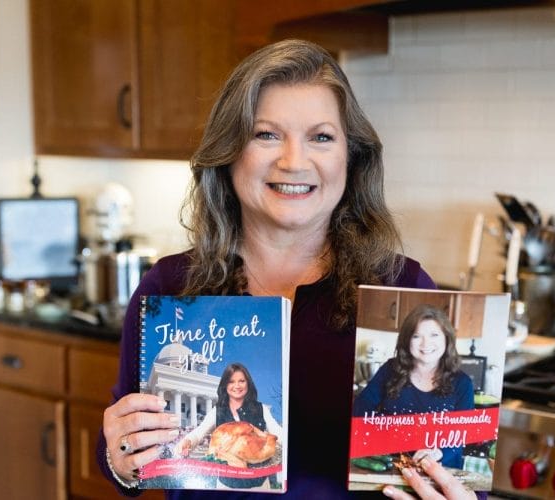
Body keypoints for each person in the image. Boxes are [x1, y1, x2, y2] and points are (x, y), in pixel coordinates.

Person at [99, 39, 478, 500]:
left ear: (350, 157)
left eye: (321, 137)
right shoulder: (169, 288)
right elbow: (125, 454)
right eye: (267, 134)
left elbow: (453, 470)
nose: (294, 161)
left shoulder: (402, 290)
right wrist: (121, 458)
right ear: (229, 151)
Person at [352, 304, 475, 469]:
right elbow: (360, 409)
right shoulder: (390, 369)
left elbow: (462, 434)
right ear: (407, 340)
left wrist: (438, 452)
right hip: (390, 468)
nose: (426, 344)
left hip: (440, 472)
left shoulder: (463, 383)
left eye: (434, 335)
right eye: (417, 336)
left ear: (447, 338)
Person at [174, 363, 284, 488]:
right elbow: (199, 432)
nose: (237, 386)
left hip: (259, 487)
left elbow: (277, 432)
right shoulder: (217, 411)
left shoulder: (261, 409)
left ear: (248, 383)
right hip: (225, 487)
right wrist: (188, 441)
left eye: (241, 381)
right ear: (225, 385)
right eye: (231, 381)